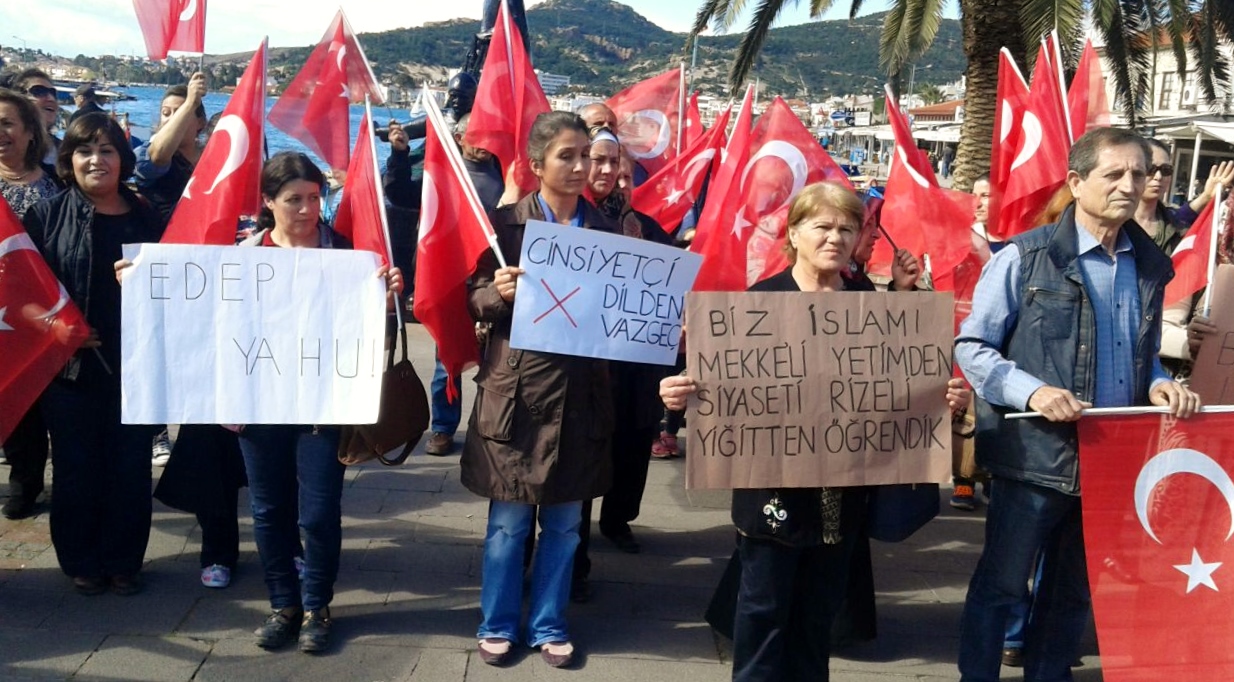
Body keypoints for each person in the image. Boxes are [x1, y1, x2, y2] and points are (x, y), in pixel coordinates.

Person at [660, 182, 970, 681]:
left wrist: (942, 398)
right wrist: (681, 395)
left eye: (847, 228)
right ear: (795, 233)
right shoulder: (760, 302)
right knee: (763, 615)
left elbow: (894, 388)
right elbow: (720, 387)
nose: (836, 237)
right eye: (823, 226)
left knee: (816, 621)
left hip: (842, 500)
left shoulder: (868, 301)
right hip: (772, 496)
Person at [955, 127, 1202, 681]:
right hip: (1035, 462)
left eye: (1138, 174)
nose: (1130, 185)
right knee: (1000, 586)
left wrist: (1159, 382)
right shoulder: (1025, 257)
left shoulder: (1148, 265)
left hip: (1111, 464)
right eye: (1114, 174)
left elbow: (1140, 355)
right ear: (1077, 182)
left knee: (1071, 596)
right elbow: (972, 347)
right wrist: (1033, 391)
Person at [224, 152, 401, 653]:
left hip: (323, 408)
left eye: (314, 198)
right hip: (258, 406)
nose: (307, 209)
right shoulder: (240, 260)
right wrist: (144, 281)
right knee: (268, 510)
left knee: (319, 513)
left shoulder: (348, 257)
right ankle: (284, 604)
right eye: (293, 200)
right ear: (268, 202)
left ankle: (316, 605)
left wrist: (386, 299)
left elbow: (368, 335)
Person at [464, 111, 617, 669]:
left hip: (580, 400)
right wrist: (496, 292)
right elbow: (473, 297)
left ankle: (549, 622)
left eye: (587, 156)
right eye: (567, 157)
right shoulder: (504, 226)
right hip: (519, 396)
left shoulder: (605, 232)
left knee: (566, 523)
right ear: (536, 165)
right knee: (507, 524)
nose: (580, 168)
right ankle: (497, 622)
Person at [22, 113, 163, 595]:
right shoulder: (46, 215)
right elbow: (18, 294)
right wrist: (57, 328)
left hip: (137, 367)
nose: (96, 160)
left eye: (107, 150)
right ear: (69, 160)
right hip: (70, 372)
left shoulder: (147, 215)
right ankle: (81, 560)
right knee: (77, 469)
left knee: (129, 468)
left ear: (123, 159)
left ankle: (124, 561)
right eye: (85, 151)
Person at [384, 113, 504, 456]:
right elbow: (400, 192)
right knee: (445, 360)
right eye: (474, 135)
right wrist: (399, 155)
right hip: (451, 279)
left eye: (487, 136)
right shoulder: (442, 171)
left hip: (492, 281)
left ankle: (489, 427)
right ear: (459, 137)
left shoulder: (505, 174)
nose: (481, 143)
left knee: (495, 360)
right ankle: (443, 428)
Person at [0, 88, 62, 520]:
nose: (0, 132)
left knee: (30, 401)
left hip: (35, 314)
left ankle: (26, 480)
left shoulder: (51, 187)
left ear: (27, 132)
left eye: (7, 123)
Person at [1133, 138, 1234, 254]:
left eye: (1166, 170)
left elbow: (1183, 215)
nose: (1158, 176)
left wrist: (1207, 196)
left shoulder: (1174, 224)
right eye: (1151, 168)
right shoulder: (1114, 222)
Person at [134, 74, 208, 226]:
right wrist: (189, 105)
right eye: (166, 113)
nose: (172, 119)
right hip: (163, 243)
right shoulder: (145, 154)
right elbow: (159, 157)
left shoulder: (211, 160)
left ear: (200, 122)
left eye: (181, 113)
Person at [11, 69, 61, 164]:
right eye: (39, 91)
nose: (51, 99)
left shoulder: (66, 151)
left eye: (53, 93)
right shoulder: (7, 146)